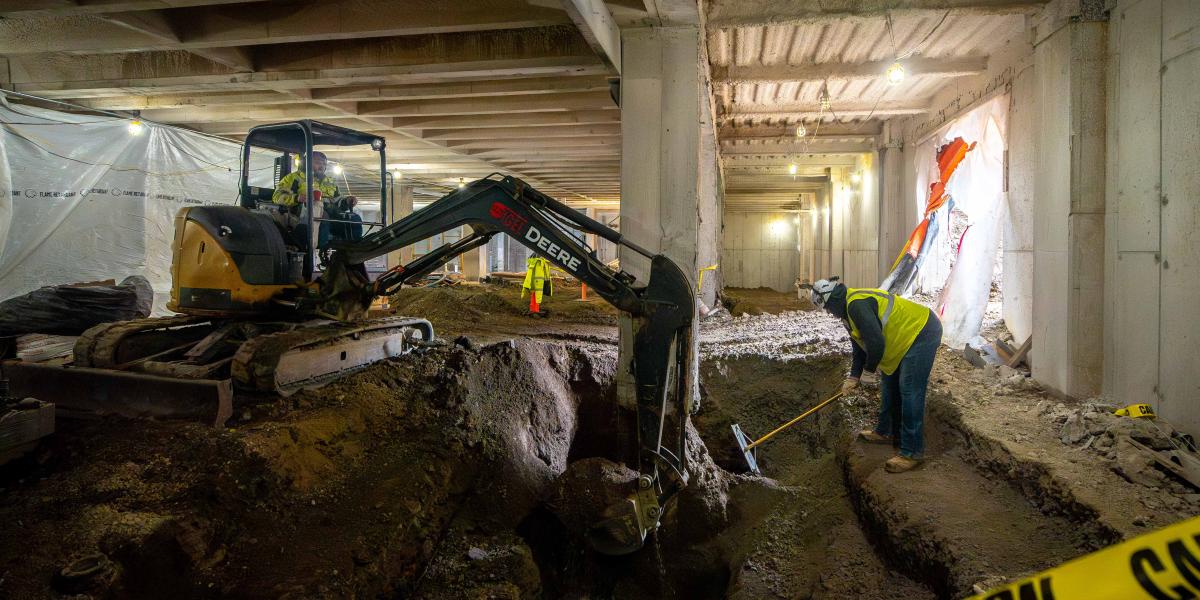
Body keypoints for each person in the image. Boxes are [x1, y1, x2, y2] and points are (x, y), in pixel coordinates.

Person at [809, 276, 943, 473]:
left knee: (909, 390)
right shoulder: (847, 311)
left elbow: (876, 343)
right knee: (889, 383)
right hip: (904, 339)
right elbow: (859, 346)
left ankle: (912, 452)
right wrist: (853, 377)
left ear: (831, 300)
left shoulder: (856, 305)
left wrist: (868, 371)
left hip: (921, 332)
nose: (829, 313)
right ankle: (885, 431)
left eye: (828, 308)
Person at [271, 151, 361, 249]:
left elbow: (337, 201)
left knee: (354, 218)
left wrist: (347, 201)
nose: (322, 166)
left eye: (324, 164)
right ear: (307, 162)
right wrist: (297, 198)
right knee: (321, 213)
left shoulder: (330, 182)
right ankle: (317, 251)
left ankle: (354, 251)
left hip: (330, 213)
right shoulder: (294, 178)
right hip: (302, 215)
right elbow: (277, 196)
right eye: (318, 162)